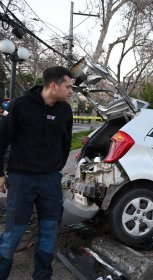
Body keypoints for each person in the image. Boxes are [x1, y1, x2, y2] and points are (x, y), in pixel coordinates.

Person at [0, 66, 73, 279]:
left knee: (49, 231)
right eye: (68, 87)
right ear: (53, 85)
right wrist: (1, 174)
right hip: (22, 180)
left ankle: (42, 276)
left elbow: (65, 143)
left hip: (50, 180)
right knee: (14, 233)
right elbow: (2, 140)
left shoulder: (65, 111)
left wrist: (56, 168)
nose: (71, 91)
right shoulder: (20, 106)